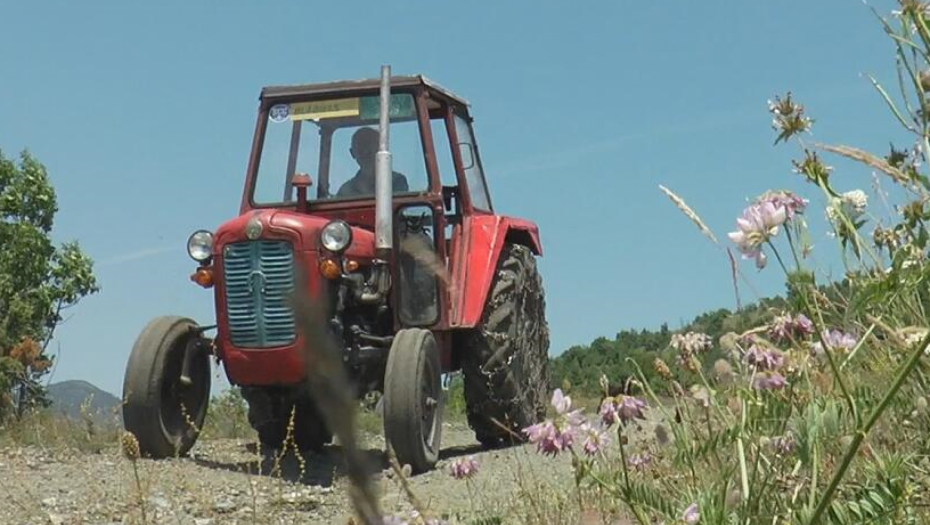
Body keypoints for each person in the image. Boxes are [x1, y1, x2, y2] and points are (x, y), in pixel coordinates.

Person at [336, 127, 409, 198]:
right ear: (352, 153)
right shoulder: (345, 191)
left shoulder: (396, 181)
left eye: (369, 145)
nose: (365, 151)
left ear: (379, 149)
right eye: (361, 147)